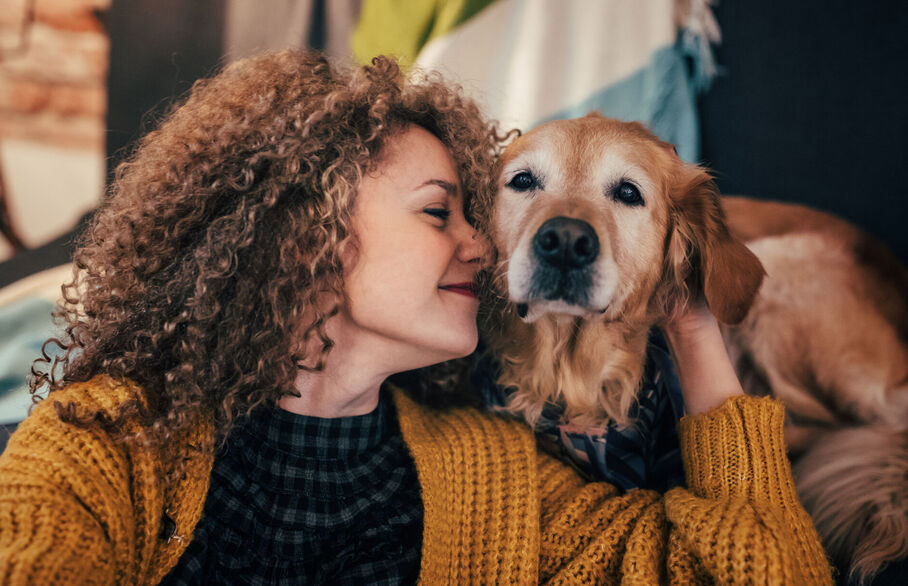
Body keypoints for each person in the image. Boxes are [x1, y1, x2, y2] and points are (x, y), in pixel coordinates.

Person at [0, 50, 832, 584]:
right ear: (306, 237)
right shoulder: (109, 438)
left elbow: (767, 570)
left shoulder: (498, 478)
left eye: (476, 213)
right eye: (442, 214)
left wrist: (691, 325)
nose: (483, 248)